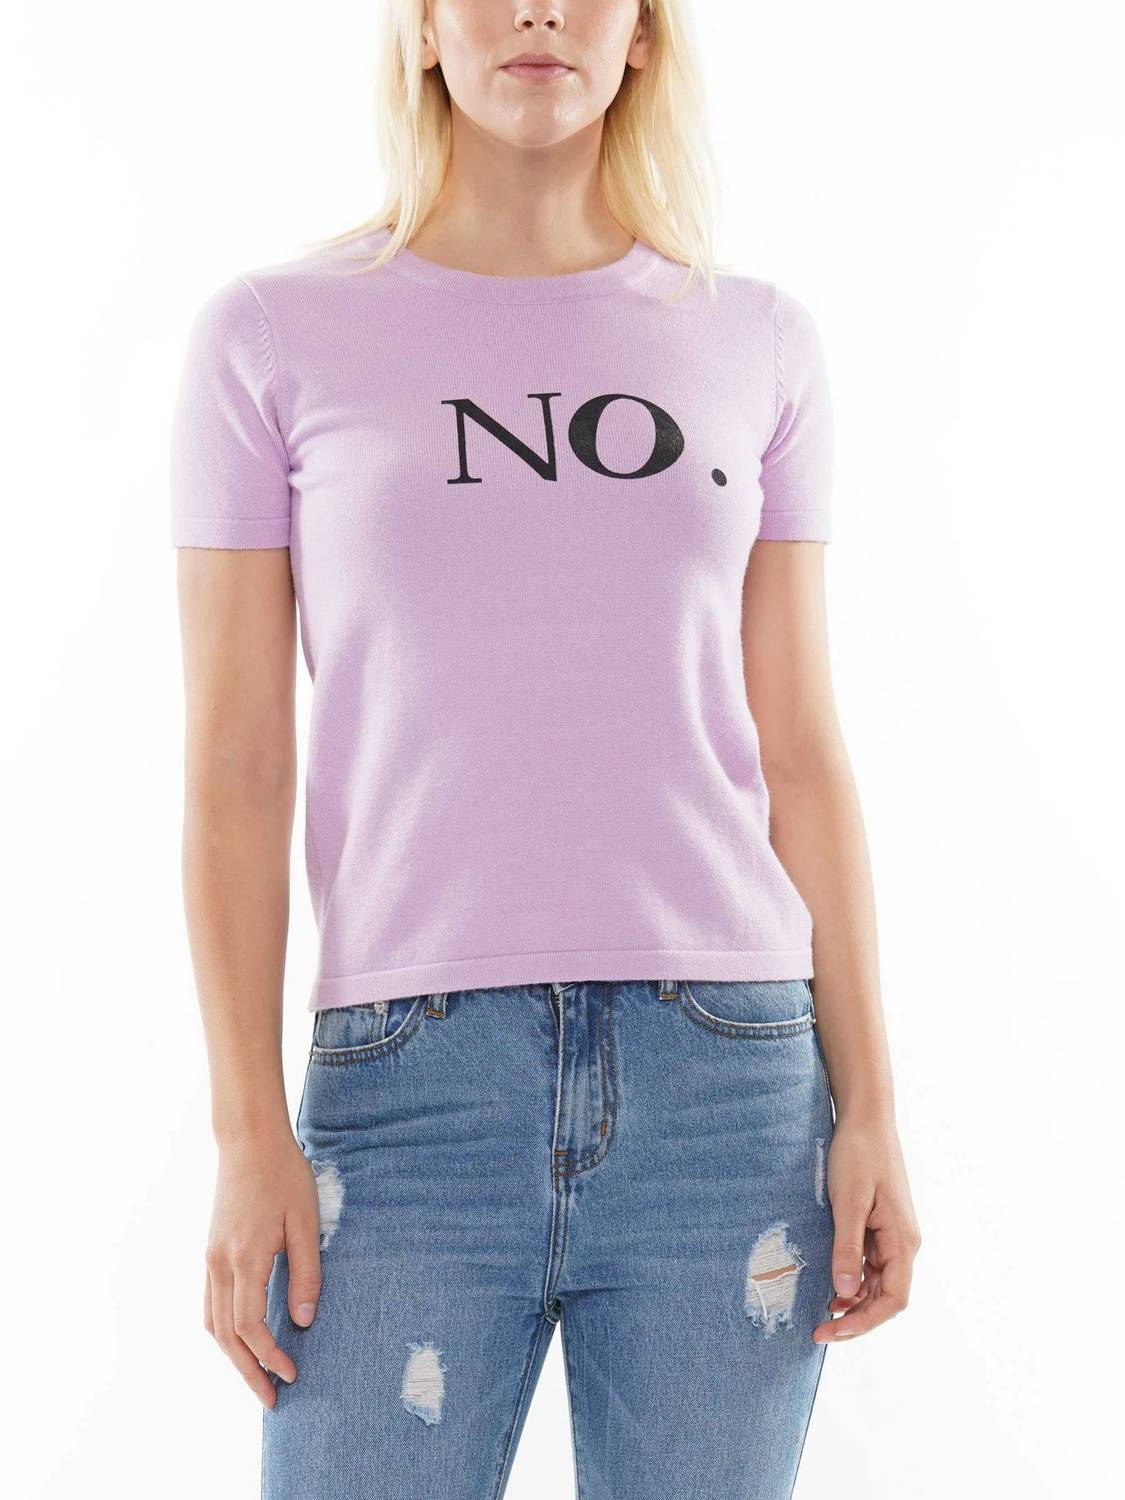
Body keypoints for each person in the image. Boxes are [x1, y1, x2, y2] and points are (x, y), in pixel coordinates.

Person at [170, 3, 921, 1496]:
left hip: (729, 1086)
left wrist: (875, 1108)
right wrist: (249, 1133)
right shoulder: (269, 336)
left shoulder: (756, 339)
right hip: (408, 1093)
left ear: (641, 35)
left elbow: (798, 749)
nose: (537, 12)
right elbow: (236, 769)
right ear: (421, 27)